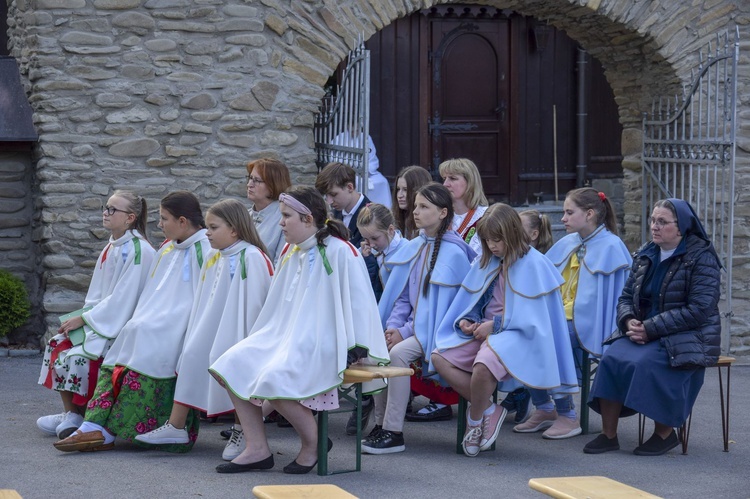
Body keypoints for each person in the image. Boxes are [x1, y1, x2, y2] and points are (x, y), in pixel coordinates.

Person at [208, 186, 389, 474]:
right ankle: (257, 448)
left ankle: (312, 444)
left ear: (307, 218)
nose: (281, 223)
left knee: (275, 377)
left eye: (286, 216)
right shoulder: (290, 251)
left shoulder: (342, 251)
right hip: (283, 336)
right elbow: (277, 306)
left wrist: (357, 346)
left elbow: (360, 302)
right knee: (229, 365)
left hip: (326, 341)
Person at [53, 191, 211, 453]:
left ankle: (107, 430)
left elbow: (202, 298)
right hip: (153, 321)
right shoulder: (168, 248)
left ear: (182, 221)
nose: (159, 224)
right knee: (130, 334)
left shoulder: (204, 249)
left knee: (145, 338)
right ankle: (93, 426)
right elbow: (152, 292)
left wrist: (160, 322)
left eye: (164, 219)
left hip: (181, 326)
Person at [432, 204, 577, 456]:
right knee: (440, 357)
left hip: (519, 334)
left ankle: (475, 420)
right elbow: (475, 301)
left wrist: (495, 325)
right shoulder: (486, 261)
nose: (492, 246)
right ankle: (490, 408)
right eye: (487, 240)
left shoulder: (536, 264)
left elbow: (535, 318)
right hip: (484, 331)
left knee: (484, 364)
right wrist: (468, 319)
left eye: (496, 240)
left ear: (511, 233)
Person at [134, 199, 273, 460]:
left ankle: (242, 429)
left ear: (234, 229)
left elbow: (258, 302)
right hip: (212, 326)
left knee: (237, 373)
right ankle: (176, 426)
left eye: (213, 227)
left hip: (241, 332)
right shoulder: (214, 255)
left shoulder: (252, 257)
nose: (206, 232)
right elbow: (204, 296)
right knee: (192, 354)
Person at [584, 198, 721, 456]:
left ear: (681, 228)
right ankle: (608, 435)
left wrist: (651, 328)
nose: (655, 227)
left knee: (646, 362)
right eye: (653, 220)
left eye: (662, 222)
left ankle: (664, 433)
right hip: (645, 331)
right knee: (611, 357)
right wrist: (628, 321)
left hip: (687, 335)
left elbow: (699, 310)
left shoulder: (701, 258)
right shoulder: (646, 253)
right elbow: (625, 298)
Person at [362, 183, 475, 455]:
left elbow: (441, 310)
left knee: (399, 354)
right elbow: (402, 297)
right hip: (413, 329)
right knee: (377, 349)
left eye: (424, 207)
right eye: (416, 206)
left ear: (442, 212)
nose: (416, 212)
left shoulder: (454, 253)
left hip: (440, 332)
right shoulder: (416, 246)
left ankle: (394, 431)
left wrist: (405, 332)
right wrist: (392, 328)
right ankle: (380, 425)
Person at [514, 188, 631, 440]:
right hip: (561, 315)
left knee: (549, 338)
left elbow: (613, 299)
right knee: (522, 332)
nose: (563, 218)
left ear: (589, 214)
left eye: (569, 212)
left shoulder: (612, 246)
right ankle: (545, 408)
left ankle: (567, 415)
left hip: (595, 323)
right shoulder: (569, 242)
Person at [37, 191, 155, 439]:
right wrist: (83, 318)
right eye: (106, 207)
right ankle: (71, 413)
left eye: (113, 209)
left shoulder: (139, 250)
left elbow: (125, 298)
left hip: (121, 325)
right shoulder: (112, 246)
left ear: (130, 218)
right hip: (101, 318)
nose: (105, 212)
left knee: (79, 355)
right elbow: (99, 295)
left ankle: (86, 415)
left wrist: (85, 319)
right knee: (57, 343)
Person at [316, 161, 380, 432]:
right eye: (327, 197)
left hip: (370, 292)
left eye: (334, 195)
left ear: (350, 187)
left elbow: (372, 265)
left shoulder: (370, 213)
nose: (331, 201)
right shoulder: (339, 214)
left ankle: (364, 397)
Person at [495, 209, 555, 425]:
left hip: (531, 328)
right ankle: (522, 395)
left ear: (533, 234)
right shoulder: (511, 259)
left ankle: (557, 409)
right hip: (512, 323)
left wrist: (495, 324)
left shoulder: (536, 263)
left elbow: (530, 316)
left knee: (530, 344)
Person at [245, 157, 292, 264]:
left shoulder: (284, 219)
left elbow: (280, 264)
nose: (249, 184)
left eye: (256, 180)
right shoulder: (246, 216)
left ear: (273, 185)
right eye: (250, 178)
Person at [331, 128, 392, 208]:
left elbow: (372, 157)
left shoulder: (366, 137)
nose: (354, 132)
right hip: (347, 174)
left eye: (356, 130)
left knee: (382, 182)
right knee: (356, 184)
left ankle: (383, 210)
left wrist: (366, 170)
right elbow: (334, 159)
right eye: (352, 130)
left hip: (365, 172)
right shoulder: (339, 138)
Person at [357, 203, 408, 297]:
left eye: (375, 238)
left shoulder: (406, 251)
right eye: (365, 239)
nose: (371, 244)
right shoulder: (365, 252)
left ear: (391, 230)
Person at [440, 158, 488, 256]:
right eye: (444, 179)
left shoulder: (486, 216)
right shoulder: (440, 215)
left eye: (452, 178)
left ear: (470, 182)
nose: (445, 184)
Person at [392, 165, 433, 240]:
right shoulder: (395, 219)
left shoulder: (429, 224)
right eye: (398, 189)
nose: (400, 195)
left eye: (405, 190)